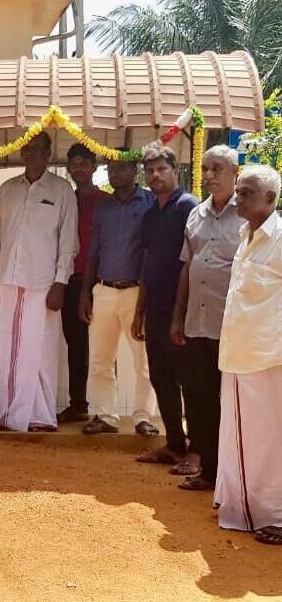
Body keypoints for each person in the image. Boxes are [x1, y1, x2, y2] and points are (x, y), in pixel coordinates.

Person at [0, 131, 78, 432]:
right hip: (9, 281)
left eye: (38, 149)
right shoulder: (7, 189)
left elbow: (68, 242)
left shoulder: (62, 190)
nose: (31, 153)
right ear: (21, 152)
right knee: (8, 348)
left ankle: (41, 416)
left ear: (48, 153)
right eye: (27, 148)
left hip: (44, 284)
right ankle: (5, 415)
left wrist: (60, 283)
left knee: (41, 349)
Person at [215, 165, 282, 545]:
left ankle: (276, 515)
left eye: (246, 193)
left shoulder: (280, 238)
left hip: (267, 358)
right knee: (241, 436)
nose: (237, 198)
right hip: (239, 354)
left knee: (270, 440)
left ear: (270, 199)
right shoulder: (246, 235)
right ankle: (240, 505)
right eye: (238, 191)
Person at [170, 146, 242, 490]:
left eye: (218, 168)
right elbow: (187, 267)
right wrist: (177, 316)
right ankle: (209, 472)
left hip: (232, 327)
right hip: (197, 324)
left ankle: (234, 478)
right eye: (206, 168)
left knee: (232, 403)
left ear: (235, 173)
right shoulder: (196, 215)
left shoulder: (249, 215)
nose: (210, 175)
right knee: (199, 399)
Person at [81, 153, 159, 436]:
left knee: (144, 361)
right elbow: (93, 252)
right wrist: (85, 293)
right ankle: (106, 416)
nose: (114, 173)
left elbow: (153, 251)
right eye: (111, 168)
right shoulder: (103, 208)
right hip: (103, 290)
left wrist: (148, 299)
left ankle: (143, 417)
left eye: (121, 168)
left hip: (136, 292)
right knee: (100, 360)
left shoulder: (150, 203)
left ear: (135, 170)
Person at [132, 145, 198, 464]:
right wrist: (139, 312)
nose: (155, 175)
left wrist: (180, 315)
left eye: (162, 169)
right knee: (160, 378)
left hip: (181, 311)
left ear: (175, 171)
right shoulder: (150, 214)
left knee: (189, 381)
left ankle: (199, 451)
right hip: (155, 310)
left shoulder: (189, 207)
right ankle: (174, 445)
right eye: (150, 170)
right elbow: (147, 264)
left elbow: (194, 262)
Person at [58, 144, 107, 424]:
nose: (78, 168)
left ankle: (104, 410)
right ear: (68, 168)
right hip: (70, 282)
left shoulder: (106, 202)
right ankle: (78, 406)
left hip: (100, 283)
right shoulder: (65, 200)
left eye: (83, 163)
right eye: (74, 164)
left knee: (102, 349)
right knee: (76, 347)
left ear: (94, 167)